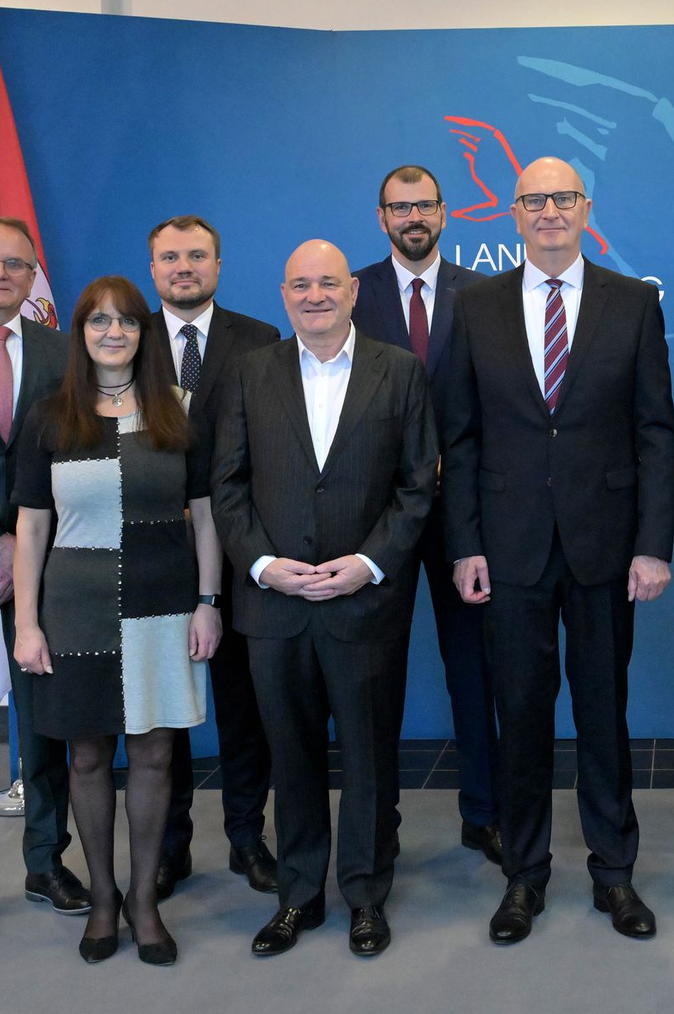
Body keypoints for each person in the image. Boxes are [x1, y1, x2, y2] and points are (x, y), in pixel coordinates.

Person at [441, 156, 674, 945]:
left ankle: (614, 873)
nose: (549, 211)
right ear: (513, 214)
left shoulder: (633, 303)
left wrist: (653, 543)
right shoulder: (474, 306)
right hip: (508, 550)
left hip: (607, 547)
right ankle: (525, 877)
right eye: (534, 200)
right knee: (522, 716)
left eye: (563, 198)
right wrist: (465, 543)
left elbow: (655, 433)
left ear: (586, 210)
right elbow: (462, 437)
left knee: (605, 715)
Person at [211, 239, 437, 959]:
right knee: (292, 753)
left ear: (352, 292)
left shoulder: (398, 371)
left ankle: (366, 893)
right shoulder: (252, 373)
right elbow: (228, 484)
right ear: (284, 295)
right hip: (274, 607)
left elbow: (417, 485)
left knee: (369, 754)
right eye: (301, 284)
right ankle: (300, 893)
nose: (315, 295)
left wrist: (370, 562)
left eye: (328, 283)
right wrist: (263, 564)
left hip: (363, 603)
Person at [12, 276, 222, 966]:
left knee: (157, 752)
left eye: (127, 322)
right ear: (80, 333)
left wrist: (209, 601)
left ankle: (143, 901)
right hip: (76, 609)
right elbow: (33, 528)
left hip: (163, 605)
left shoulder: (178, 409)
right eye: (99, 321)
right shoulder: (50, 417)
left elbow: (206, 518)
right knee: (89, 755)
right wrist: (29, 624)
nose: (113, 333)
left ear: (143, 333)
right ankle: (102, 898)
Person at [352, 165, 499, 865]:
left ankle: (485, 813)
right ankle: (379, 822)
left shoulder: (484, 295)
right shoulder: (351, 293)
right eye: (400, 207)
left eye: (425, 205)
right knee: (375, 675)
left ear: (447, 214)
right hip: (376, 518)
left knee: (474, 669)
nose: (414, 217)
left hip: (465, 518)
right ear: (381, 217)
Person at [148, 214, 281, 900]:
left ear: (219, 265)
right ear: (153, 268)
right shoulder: (123, 341)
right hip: (152, 557)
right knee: (163, 713)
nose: (184, 267)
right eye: (170, 257)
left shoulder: (259, 340)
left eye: (197, 255)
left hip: (235, 554)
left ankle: (246, 837)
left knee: (243, 707)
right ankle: (171, 845)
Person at [0, 218, 81, 915]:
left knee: (40, 719)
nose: (3, 272)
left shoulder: (62, 353)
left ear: (32, 280)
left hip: (35, 558)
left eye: (15, 264)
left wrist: (14, 542)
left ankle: (43, 859)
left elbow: (71, 460)